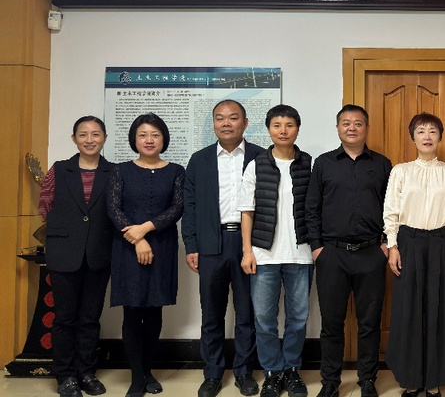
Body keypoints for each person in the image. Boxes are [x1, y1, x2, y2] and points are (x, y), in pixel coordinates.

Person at [305, 104, 392, 397]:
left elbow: (392, 208)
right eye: (346, 123)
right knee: (332, 323)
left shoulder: (382, 164)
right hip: (332, 254)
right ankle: (330, 381)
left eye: (357, 123)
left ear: (366, 128)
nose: (351, 128)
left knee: (370, 322)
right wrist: (317, 247)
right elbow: (311, 207)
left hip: (371, 253)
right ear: (338, 128)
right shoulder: (324, 163)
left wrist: (386, 244)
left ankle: (367, 379)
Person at [182, 100, 265, 397]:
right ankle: (213, 373)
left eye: (233, 118)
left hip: (248, 244)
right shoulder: (199, 160)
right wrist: (192, 244)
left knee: (247, 312)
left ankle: (244, 371)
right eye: (220, 118)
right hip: (210, 243)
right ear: (214, 123)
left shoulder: (260, 156)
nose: (226, 123)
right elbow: (189, 205)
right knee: (212, 313)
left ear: (245, 122)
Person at [384, 113, 445, 397]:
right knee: (408, 310)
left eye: (432, 131)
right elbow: (391, 213)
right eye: (421, 131)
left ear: (440, 137)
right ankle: (410, 378)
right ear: (413, 137)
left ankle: (434, 380)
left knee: (438, 310)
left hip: (441, 244)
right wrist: (393, 247)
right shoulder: (400, 171)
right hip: (408, 243)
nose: (427, 136)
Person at [108, 113, 185, 397]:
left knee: (154, 311)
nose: (149, 140)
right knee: (132, 311)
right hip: (128, 248)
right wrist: (138, 239)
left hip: (162, 247)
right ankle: (136, 376)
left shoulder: (176, 171)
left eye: (154, 134)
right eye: (143, 135)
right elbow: (114, 209)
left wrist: (146, 228)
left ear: (163, 138)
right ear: (134, 139)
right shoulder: (120, 171)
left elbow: (177, 208)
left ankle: (148, 370)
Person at [239, 104, 313, 397]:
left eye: (289, 125)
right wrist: (247, 251)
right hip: (264, 255)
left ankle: (292, 370)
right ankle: (271, 372)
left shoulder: (309, 164)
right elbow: (247, 211)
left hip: (301, 254)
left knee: (298, 318)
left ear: (298, 129)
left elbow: (316, 209)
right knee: (264, 320)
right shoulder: (256, 164)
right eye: (277, 125)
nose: (283, 131)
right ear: (269, 129)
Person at [39, 116, 115, 397]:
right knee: (64, 318)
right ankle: (65, 375)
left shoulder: (114, 172)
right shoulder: (59, 169)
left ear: (104, 138)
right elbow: (45, 206)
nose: (89, 140)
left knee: (90, 318)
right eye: (83, 134)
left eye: (95, 134)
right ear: (74, 139)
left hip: (99, 253)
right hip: (64, 253)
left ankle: (86, 372)